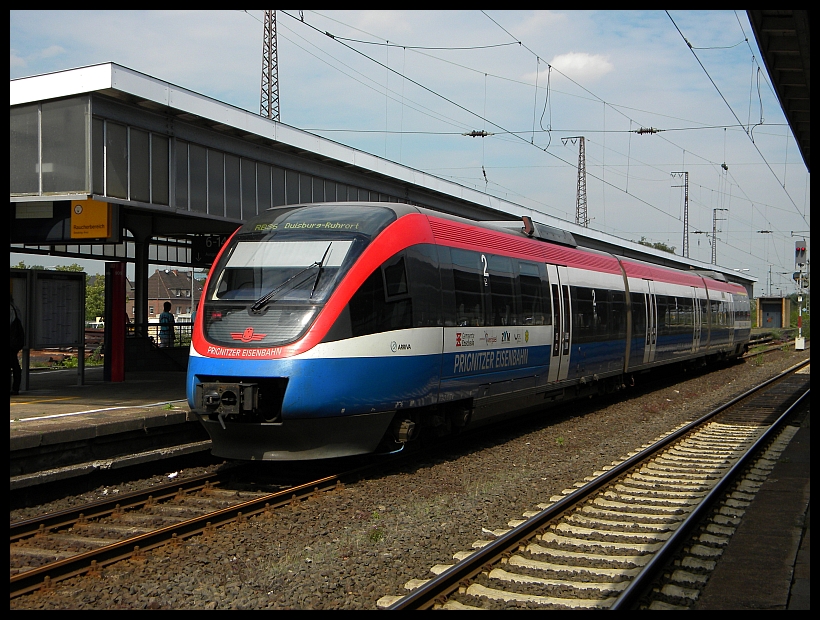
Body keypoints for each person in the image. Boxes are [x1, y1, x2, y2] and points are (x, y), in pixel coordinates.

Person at [10, 297, 25, 395]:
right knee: (14, 364)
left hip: (10, 341)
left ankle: (15, 388)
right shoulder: (15, 308)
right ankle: (15, 387)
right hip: (15, 341)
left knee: (14, 364)